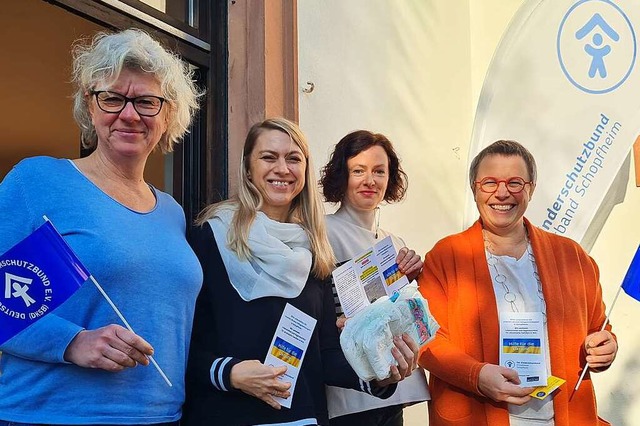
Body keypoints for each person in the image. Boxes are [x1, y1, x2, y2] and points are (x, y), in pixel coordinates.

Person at [0, 29, 202, 425]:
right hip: (50, 417)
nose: (129, 114)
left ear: (168, 116)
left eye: (147, 101)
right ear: (90, 108)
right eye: (112, 98)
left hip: (161, 418)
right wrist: (73, 341)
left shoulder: (173, 213)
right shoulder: (38, 181)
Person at [183, 118, 418, 426]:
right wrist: (230, 373)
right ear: (247, 167)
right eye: (269, 157)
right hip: (225, 415)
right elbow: (181, 342)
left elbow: (326, 355)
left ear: (304, 171)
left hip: (301, 419)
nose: (282, 168)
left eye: (293, 159)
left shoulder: (313, 250)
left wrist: (383, 375)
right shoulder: (209, 237)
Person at [418, 140, 617, 425]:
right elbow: (426, 340)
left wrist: (605, 346)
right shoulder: (446, 257)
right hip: (479, 415)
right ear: (475, 189)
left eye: (515, 182)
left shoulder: (572, 256)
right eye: (489, 182)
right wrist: (478, 375)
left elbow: (599, 328)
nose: (502, 193)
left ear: (531, 189)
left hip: (561, 416)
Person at [320, 130, 430, 426]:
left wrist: (414, 279)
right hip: (351, 394)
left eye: (379, 171)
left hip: (395, 385)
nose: (370, 180)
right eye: (359, 171)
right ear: (341, 176)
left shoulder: (393, 241)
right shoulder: (322, 232)